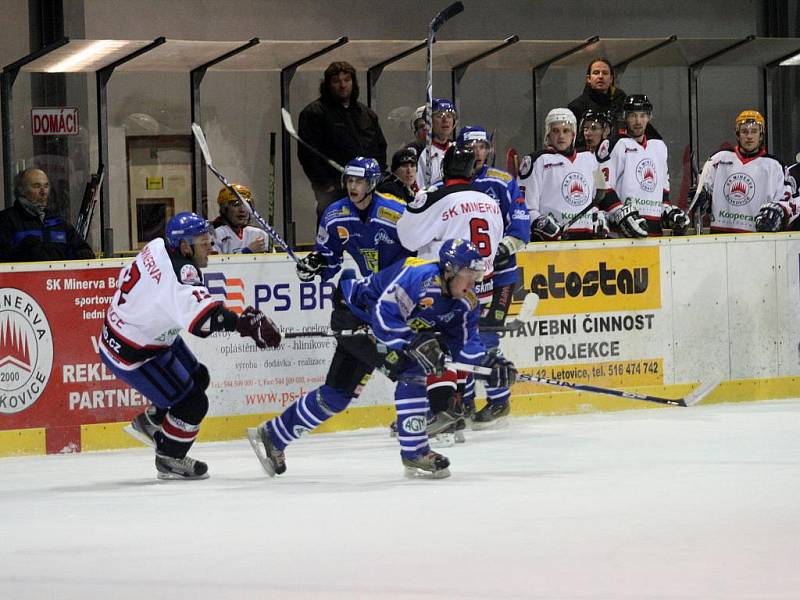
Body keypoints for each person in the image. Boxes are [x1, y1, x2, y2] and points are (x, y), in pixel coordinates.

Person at [248, 239, 517, 479]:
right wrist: (413, 341)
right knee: (411, 368)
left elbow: (465, 346)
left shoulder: (466, 302)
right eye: (468, 275)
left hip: (371, 324)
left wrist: (488, 365)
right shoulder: (420, 278)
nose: (474, 283)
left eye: (476, 275)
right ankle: (415, 451)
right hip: (356, 314)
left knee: (336, 396)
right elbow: (384, 317)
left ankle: (273, 435)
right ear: (448, 271)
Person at [98, 212, 282, 480]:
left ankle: (151, 422)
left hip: (139, 333)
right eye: (204, 242)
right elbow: (205, 322)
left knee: (198, 377)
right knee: (193, 404)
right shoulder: (178, 275)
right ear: (185, 247)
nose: (212, 247)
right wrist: (246, 325)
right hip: (133, 350)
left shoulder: (158, 245)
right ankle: (170, 457)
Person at [397, 144, 507, 432]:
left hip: (443, 285)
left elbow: (406, 238)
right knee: (460, 345)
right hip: (479, 284)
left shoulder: (435, 197)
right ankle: (456, 406)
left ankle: (442, 412)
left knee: (435, 346)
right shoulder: (488, 200)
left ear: (444, 168)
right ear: (472, 169)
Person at [455, 125, 530, 425]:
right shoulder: (451, 183)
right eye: (471, 146)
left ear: (488, 149)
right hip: (465, 278)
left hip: (500, 276)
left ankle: (499, 400)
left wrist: (504, 247)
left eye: (482, 146)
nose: (477, 151)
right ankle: (466, 401)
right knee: (462, 336)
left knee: (487, 337)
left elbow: (521, 223)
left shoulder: (502, 181)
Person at [294, 156, 411, 283]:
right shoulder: (335, 215)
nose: (353, 187)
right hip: (373, 284)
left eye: (359, 181)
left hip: (405, 283)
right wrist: (316, 262)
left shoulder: (396, 212)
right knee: (344, 296)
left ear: (371, 184)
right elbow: (329, 252)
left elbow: (420, 245)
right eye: (350, 180)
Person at [297, 61, 387, 217]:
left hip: (369, 192)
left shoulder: (366, 114)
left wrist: (378, 178)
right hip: (335, 195)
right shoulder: (314, 113)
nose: (343, 85)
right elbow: (308, 155)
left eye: (347, 80)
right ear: (327, 85)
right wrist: (326, 186)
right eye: (336, 81)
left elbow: (380, 147)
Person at [596, 95, 689, 237]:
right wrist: (620, 213)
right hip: (622, 232)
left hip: (654, 231)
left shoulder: (659, 147)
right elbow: (602, 188)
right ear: (625, 117)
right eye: (633, 116)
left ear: (649, 117)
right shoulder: (612, 144)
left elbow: (663, 192)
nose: (638, 121)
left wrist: (669, 212)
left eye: (642, 115)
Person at [690, 110, 794, 233]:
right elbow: (704, 191)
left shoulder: (775, 166)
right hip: (720, 237)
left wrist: (779, 211)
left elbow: (788, 202)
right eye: (744, 131)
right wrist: (702, 197)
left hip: (758, 238)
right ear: (738, 134)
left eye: (754, 131)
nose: (749, 136)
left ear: (761, 135)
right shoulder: (719, 158)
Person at [519, 108, 609, 241]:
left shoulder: (591, 158)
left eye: (566, 131)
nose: (561, 136)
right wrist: (539, 224)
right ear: (548, 134)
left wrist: (599, 217)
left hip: (587, 242)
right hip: (551, 243)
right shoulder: (535, 160)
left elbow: (599, 196)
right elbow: (525, 206)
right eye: (555, 131)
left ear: (573, 134)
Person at [0, 168, 94, 262]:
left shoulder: (58, 222)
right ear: (21, 190)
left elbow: (81, 250)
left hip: (58, 276)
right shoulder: (6, 221)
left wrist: (83, 255)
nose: (43, 192)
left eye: (46, 186)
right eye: (36, 186)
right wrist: (23, 251)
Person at [211, 184, 269, 253]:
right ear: (224, 209)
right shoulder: (216, 235)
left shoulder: (259, 235)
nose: (242, 210)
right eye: (236, 204)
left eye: (246, 204)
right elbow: (216, 263)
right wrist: (247, 251)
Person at [415, 97, 457, 190]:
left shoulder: (458, 149)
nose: (445, 120)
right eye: (439, 116)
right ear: (429, 122)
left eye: (449, 116)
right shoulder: (418, 151)